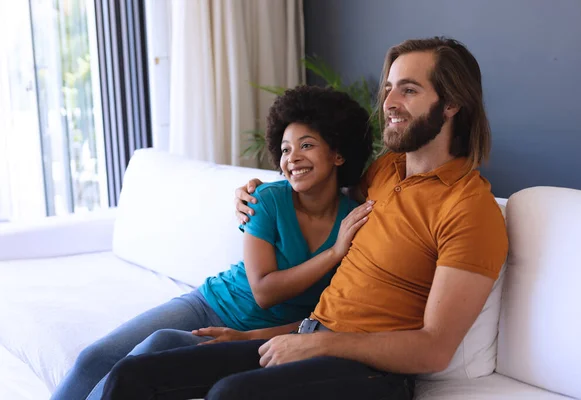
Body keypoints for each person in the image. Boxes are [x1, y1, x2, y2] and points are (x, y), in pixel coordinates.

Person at [99, 36, 509, 400]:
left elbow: (433, 350)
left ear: (452, 103)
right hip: (309, 337)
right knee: (133, 376)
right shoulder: (385, 172)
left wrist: (319, 345)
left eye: (409, 90)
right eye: (388, 89)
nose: (388, 104)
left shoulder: (470, 211)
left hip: (373, 375)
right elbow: (320, 192)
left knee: (231, 394)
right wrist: (254, 194)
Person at [50, 85, 374, 400]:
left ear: (338, 154)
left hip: (256, 334)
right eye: (286, 148)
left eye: (307, 145)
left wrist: (250, 337)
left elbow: (323, 317)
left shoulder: (354, 222)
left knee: (150, 351)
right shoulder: (266, 198)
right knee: (95, 357)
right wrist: (333, 253)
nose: (293, 158)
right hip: (209, 303)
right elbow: (263, 290)